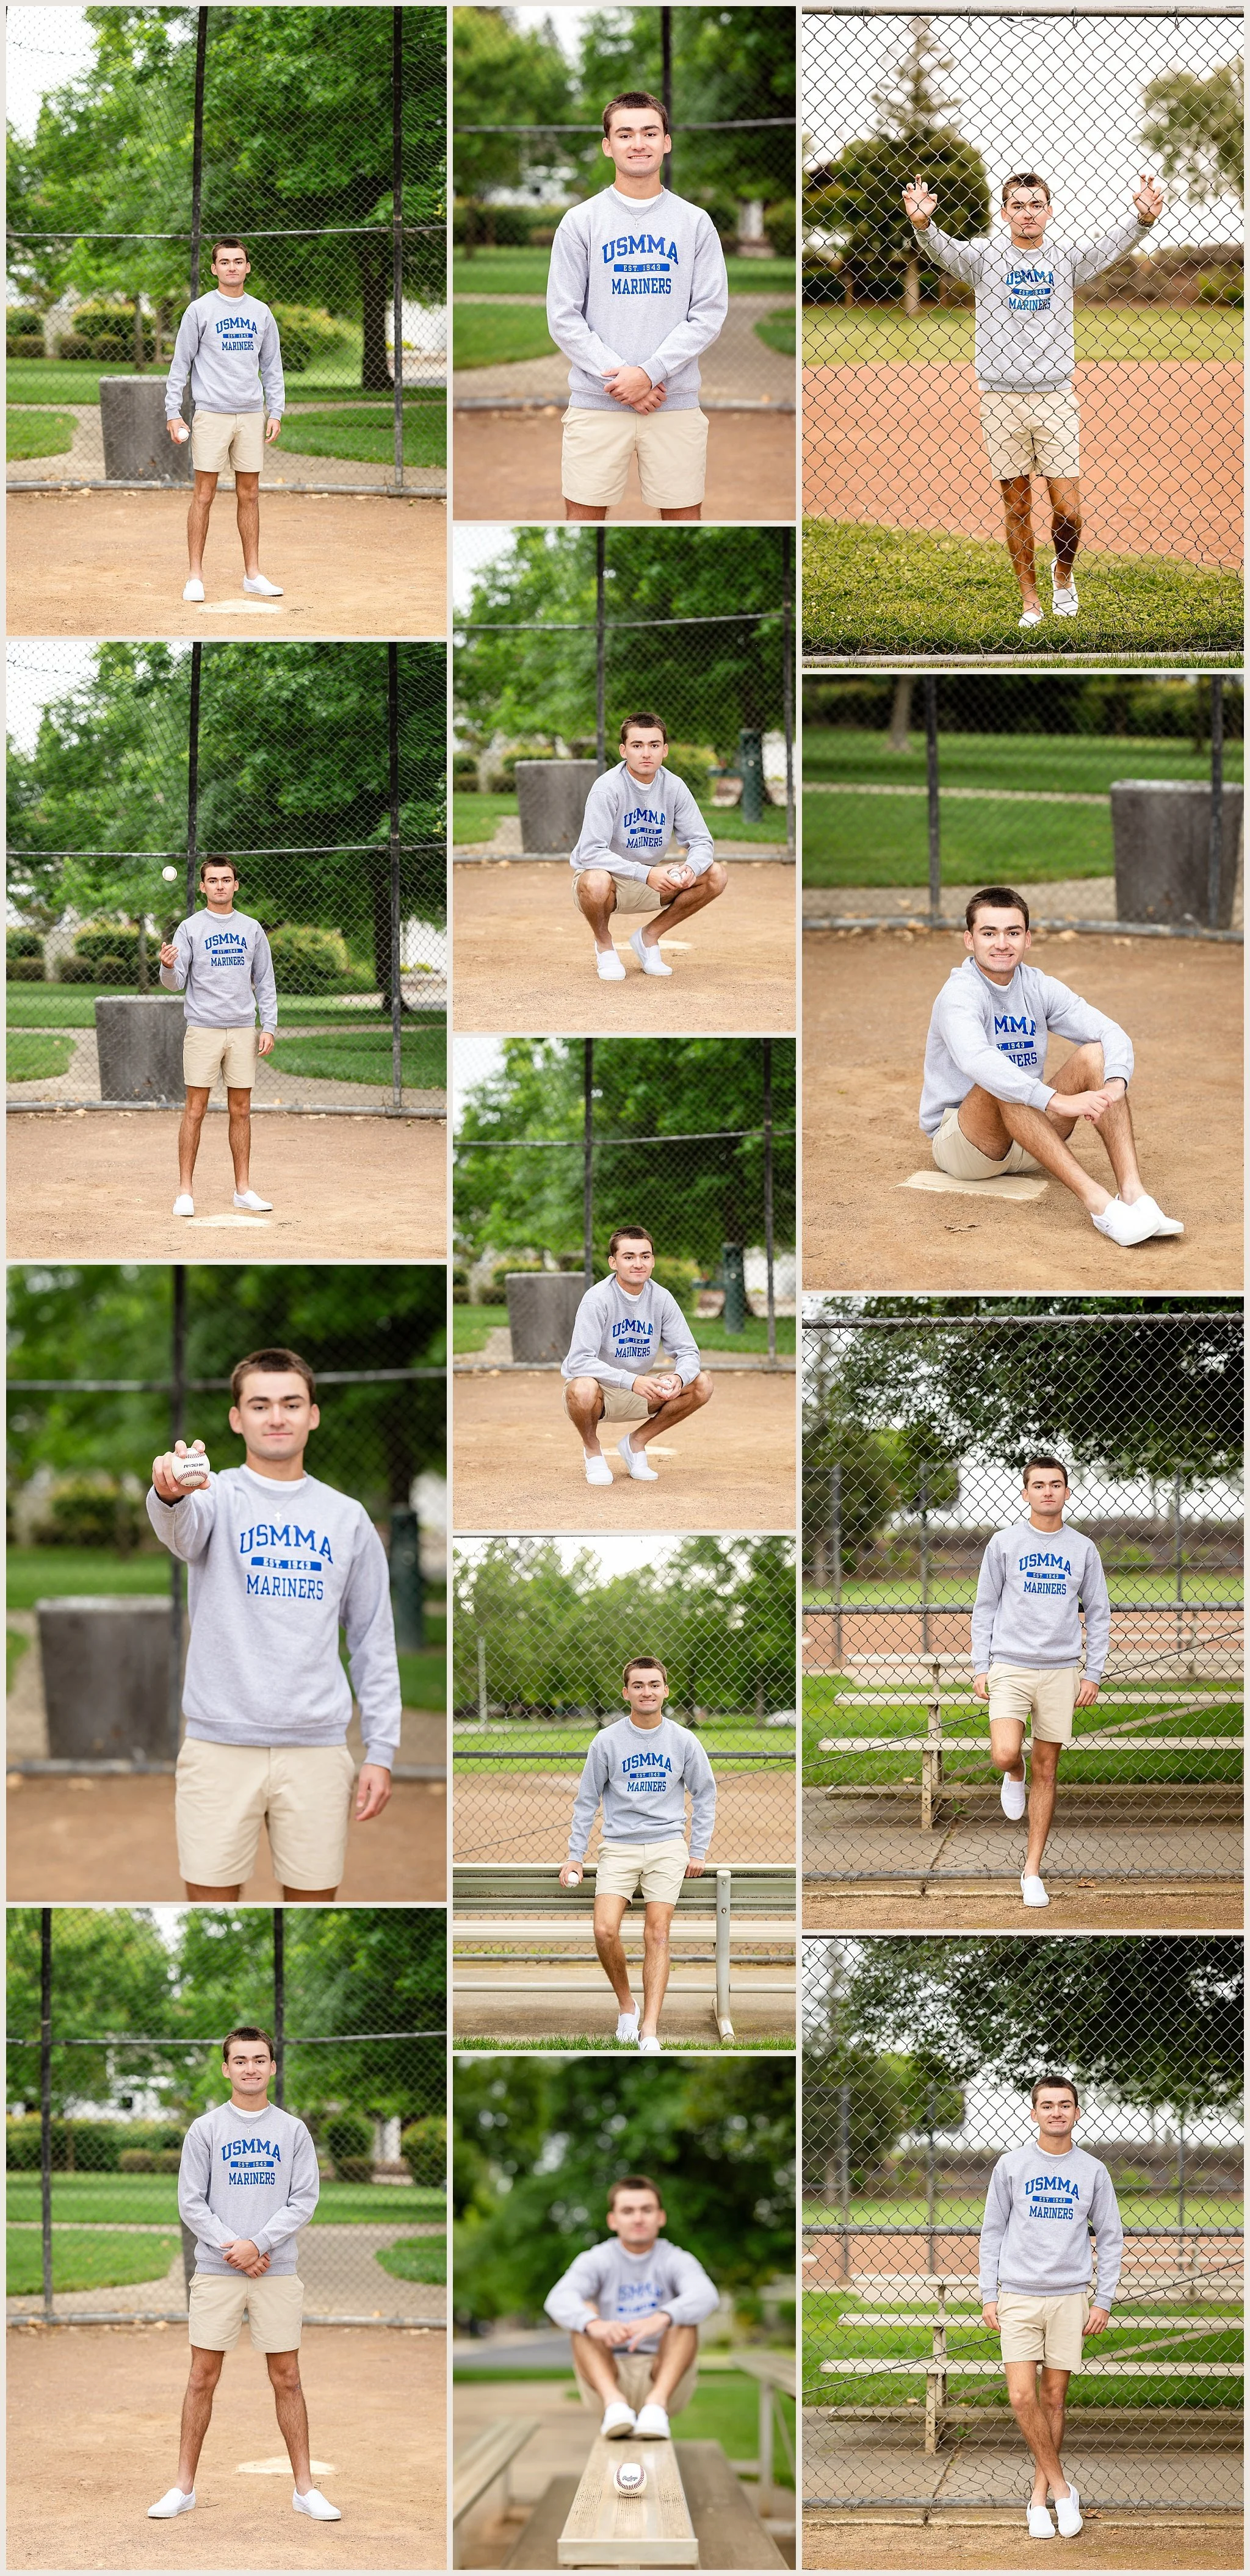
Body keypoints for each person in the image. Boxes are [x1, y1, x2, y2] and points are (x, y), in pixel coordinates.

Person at [146, 1345, 398, 1900]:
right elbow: (181, 1530)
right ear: (238, 1419)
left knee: (312, 1912)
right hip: (218, 1746)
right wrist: (169, 1495)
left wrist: (380, 1751)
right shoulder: (214, 1496)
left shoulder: (346, 1517)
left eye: (291, 1403)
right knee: (210, 1907)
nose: (277, 1416)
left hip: (317, 1749)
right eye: (260, 1405)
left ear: (313, 1414)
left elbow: (372, 1640)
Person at [902, 169, 1161, 628]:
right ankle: (1030, 601)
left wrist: (1141, 221)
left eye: (1035, 204)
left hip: (1055, 396)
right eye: (1018, 205)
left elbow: (1108, 247)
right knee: (1017, 505)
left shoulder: (1064, 257)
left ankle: (1063, 576)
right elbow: (947, 251)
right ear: (1004, 213)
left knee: (1068, 510)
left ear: (1049, 210)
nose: (1027, 213)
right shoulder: (985, 257)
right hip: (1000, 399)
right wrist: (924, 226)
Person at [148, 2024, 339, 2525]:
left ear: (273, 2068)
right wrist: (237, 2248)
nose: (250, 2068)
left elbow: (304, 2200)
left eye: (260, 2059)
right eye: (241, 2060)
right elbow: (191, 2202)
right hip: (218, 2270)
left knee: (288, 2377)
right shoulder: (206, 2129)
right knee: (200, 2378)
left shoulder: (293, 2131)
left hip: (276, 2270)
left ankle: (304, 2489)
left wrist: (261, 2244)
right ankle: (183, 2488)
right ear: (226, 2068)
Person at [919, 886, 1184, 1245]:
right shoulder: (960, 994)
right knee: (1000, 1077)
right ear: (970, 940)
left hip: (1032, 1134)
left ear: (1027, 939)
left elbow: (1110, 1032)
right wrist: (1057, 1101)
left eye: (1012, 932)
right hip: (968, 1145)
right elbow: (976, 1060)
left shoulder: (1038, 985)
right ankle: (1101, 1206)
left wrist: (1115, 1085)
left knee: (1095, 1054)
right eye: (989, 933)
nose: (1002, 943)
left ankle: (1134, 1194)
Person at [547, 92, 728, 523]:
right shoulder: (581, 222)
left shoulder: (695, 222)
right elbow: (564, 316)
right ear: (608, 145)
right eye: (625, 134)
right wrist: (621, 380)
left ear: (667, 141)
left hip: (673, 401)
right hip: (596, 402)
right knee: (582, 521)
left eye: (650, 132)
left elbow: (709, 312)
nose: (638, 143)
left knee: (684, 520)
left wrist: (649, 374)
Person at [980, 2075, 1123, 2539]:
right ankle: (1064, 2488)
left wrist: (1102, 2300)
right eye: (1047, 2105)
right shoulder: (1012, 2166)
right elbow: (993, 2232)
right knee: (1022, 2397)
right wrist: (989, 2293)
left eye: (1065, 2105)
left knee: (1054, 2399)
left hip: (1069, 2298)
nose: (1057, 2112)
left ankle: (1038, 2498)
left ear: (1077, 2112)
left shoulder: (1093, 2171)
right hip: (1019, 2295)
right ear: (1034, 2113)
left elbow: (1112, 2238)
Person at [971, 1456, 1111, 1907]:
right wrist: (980, 1664)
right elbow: (986, 1607)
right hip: (1010, 1664)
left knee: (1048, 1768)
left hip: (1060, 1669)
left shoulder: (1083, 1549)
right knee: (1005, 1752)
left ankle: (1031, 1871)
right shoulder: (1004, 1543)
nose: (1048, 1491)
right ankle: (1014, 1774)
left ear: (1067, 1492)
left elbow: (1100, 1614)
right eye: (1039, 1485)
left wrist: (1092, 1673)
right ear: (1025, 1493)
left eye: (1056, 1484)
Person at [559, 1656, 717, 2051]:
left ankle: (649, 2029)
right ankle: (627, 2006)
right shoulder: (607, 1741)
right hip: (619, 1847)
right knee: (604, 1929)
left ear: (665, 1690)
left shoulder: (683, 1740)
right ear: (626, 1691)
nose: (646, 1692)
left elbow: (706, 1795)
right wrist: (575, 1855)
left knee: (657, 1934)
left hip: (667, 1847)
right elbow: (586, 1801)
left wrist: (696, 1850)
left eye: (653, 1685)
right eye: (638, 1685)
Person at [544, 2174, 720, 2437]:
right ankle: (615, 2406)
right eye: (628, 2211)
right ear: (613, 2220)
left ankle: (655, 2407)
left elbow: (707, 2295)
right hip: (609, 2374)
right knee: (583, 2318)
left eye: (646, 2210)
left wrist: (663, 2317)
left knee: (682, 2317)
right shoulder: (597, 2259)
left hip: (663, 2376)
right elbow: (557, 2299)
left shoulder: (675, 2258)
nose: (638, 2218)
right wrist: (595, 2324)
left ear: (661, 2217)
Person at [165, 236, 286, 604]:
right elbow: (180, 365)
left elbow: (272, 367)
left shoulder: (262, 313)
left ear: (247, 267)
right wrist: (173, 412)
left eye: (239, 261)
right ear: (214, 268)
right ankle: (195, 577)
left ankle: (253, 575)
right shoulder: (199, 311)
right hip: (211, 414)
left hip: (250, 413)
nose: (232, 267)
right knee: (204, 494)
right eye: (225, 262)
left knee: (249, 494)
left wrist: (275, 410)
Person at [160, 855, 277, 1218]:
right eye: (213, 880)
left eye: (227, 880)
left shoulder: (252, 929)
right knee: (195, 1109)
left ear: (236, 885)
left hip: (243, 1028)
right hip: (203, 1029)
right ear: (203, 886)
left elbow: (266, 981)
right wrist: (165, 967)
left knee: (241, 1110)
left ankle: (243, 1190)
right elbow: (176, 983)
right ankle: (185, 1192)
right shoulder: (190, 929)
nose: (221, 886)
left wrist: (268, 1026)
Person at [571, 712, 728, 982]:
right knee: (595, 880)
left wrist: (691, 868)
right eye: (637, 745)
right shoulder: (607, 788)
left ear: (664, 750)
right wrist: (646, 873)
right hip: (608, 884)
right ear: (624, 751)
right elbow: (590, 852)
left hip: (650, 881)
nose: (646, 753)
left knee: (715, 874)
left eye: (654, 745)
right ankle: (605, 945)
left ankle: (648, 938)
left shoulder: (674, 787)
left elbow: (702, 841)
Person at [561, 1225, 714, 1486]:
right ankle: (593, 1451)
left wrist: (679, 1376)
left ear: (653, 1260)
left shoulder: (662, 1298)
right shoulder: (597, 1299)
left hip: (638, 1391)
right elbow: (579, 1361)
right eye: (629, 1257)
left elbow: (688, 1351)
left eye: (645, 1256)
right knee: (583, 1387)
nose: (638, 1263)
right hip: (600, 1393)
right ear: (614, 1262)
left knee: (701, 1383)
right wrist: (631, 1381)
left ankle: (635, 1444)